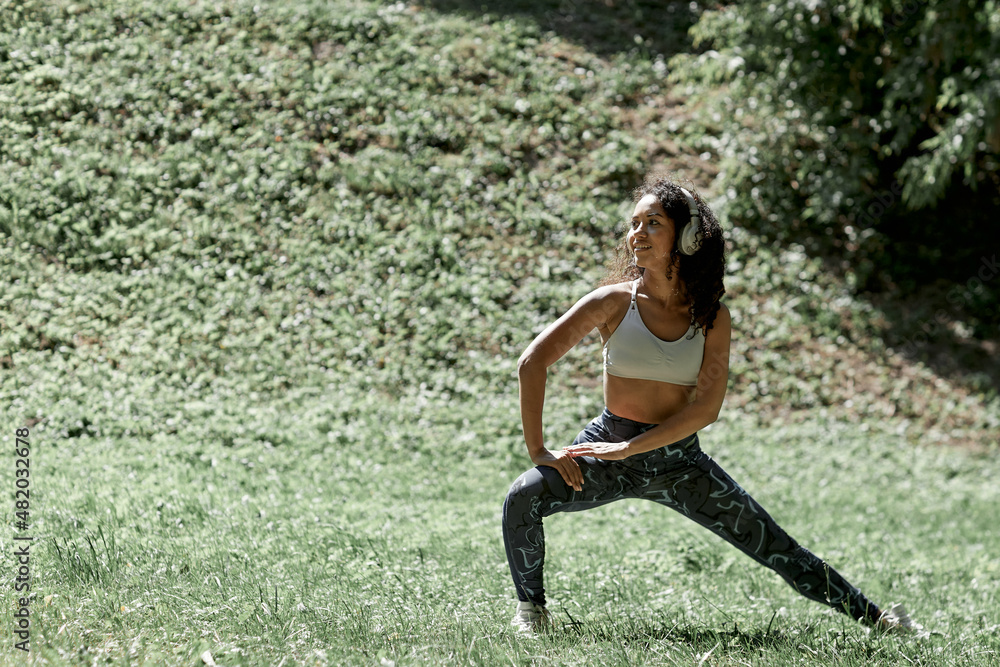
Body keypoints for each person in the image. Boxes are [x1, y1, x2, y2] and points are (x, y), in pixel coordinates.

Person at [501, 174, 918, 635]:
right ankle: (532, 613)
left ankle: (880, 620)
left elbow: (704, 409)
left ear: (687, 236)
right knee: (523, 498)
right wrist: (540, 451)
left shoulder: (712, 316)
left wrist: (634, 450)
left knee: (775, 545)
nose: (635, 234)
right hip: (606, 449)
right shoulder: (612, 303)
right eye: (633, 224)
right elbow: (532, 361)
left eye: (652, 223)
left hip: (679, 463)